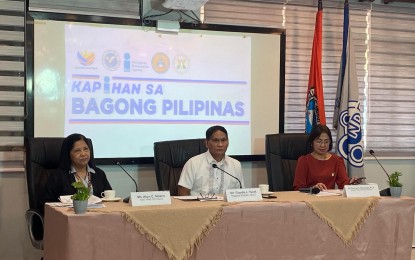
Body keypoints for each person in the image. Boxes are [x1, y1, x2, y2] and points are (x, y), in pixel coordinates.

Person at [42, 133, 112, 204]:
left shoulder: (99, 174)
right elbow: (46, 204)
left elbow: (110, 199)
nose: (83, 154)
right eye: (77, 151)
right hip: (69, 214)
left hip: (98, 214)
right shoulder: (58, 176)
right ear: (68, 154)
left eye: (86, 149)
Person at [177, 125, 245, 196]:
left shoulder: (236, 164)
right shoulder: (193, 163)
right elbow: (183, 192)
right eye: (215, 140)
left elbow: (240, 192)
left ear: (228, 142)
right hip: (199, 206)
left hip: (226, 206)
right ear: (206, 143)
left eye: (223, 140)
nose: (220, 144)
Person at [293, 124, 361, 191]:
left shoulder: (337, 160)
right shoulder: (304, 161)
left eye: (326, 142)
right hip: (310, 198)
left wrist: (351, 182)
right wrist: (313, 189)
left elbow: (343, 184)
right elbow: (298, 187)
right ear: (312, 142)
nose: (323, 145)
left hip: (330, 199)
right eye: (319, 141)